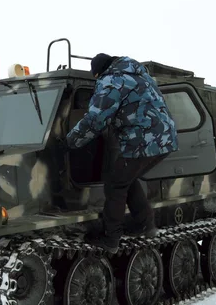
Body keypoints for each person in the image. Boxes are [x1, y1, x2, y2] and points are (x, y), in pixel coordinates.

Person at [66, 53, 178, 253]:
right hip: (164, 138)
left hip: (144, 140)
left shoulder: (111, 80)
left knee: (115, 183)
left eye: (96, 76)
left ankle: (111, 239)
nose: (97, 80)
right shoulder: (139, 75)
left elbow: (96, 119)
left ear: (99, 72)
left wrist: (71, 140)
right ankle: (146, 224)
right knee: (126, 177)